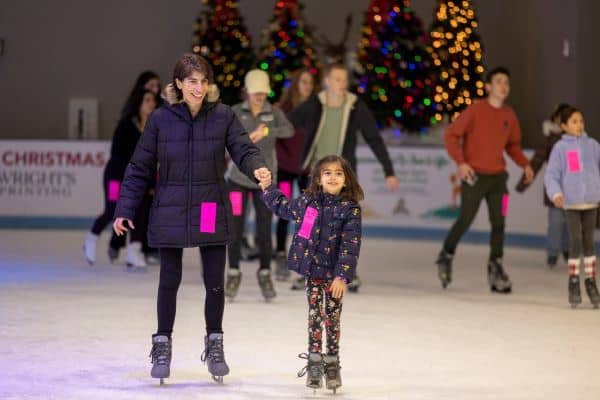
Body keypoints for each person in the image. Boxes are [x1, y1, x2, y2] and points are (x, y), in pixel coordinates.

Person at [112, 53, 271, 384]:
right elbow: (139, 167)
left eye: (203, 81)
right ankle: (162, 344)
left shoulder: (223, 117)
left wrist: (256, 166)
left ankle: (215, 344)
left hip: (210, 205)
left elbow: (243, 148)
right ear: (179, 85)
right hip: (170, 206)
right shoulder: (160, 120)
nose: (198, 88)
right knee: (169, 280)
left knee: (214, 282)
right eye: (192, 82)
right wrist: (125, 207)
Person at [287, 63, 399, 292]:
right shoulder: (314, 104)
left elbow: (373, 138)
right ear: (327, 81)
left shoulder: (355, 106)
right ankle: (305, 268)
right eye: (337, 79)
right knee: (308, 223)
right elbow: (287, 122)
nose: (342, 84)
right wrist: (262, 129)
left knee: (344, 227)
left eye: (345, 80)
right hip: (316, 177)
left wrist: (389, 170)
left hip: (342, 178)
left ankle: (347, 272)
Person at [260, 155, 363, 393]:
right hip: (314, 272)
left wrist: (342, 276)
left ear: (346, 180)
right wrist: (268, 188)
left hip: (335, 276)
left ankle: (332, 362)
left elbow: (351, 245)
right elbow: (283, 208)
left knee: (333, 320)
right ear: (318, 178)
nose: (333, 177)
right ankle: (315, 362)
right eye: (327, 173)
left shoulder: (351, 209)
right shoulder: (309, 202)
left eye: (338, 173)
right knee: (315, 317)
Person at [435, 66, 534, 293]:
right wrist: (461, 162)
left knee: (500, 222)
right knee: (466, 219)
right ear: (488, 86)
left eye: (506, 82)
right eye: (499, 81)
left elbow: (513, 146)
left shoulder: (509, 115)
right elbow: (452, 135)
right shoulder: (476, 110)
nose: (503, 86)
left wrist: (524, 164)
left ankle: (496, 265)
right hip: (474, 177)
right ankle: (446, 254)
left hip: (499, 179)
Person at [224, 69, 294, 301]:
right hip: (237, 180)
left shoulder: (273, 112)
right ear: (247, 92)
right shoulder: (235, 112)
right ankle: (233, 272)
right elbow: (223, 138)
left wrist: (267, 130)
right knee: (235, 227)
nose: (259, 98)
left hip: (265, 183)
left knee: (265, 229)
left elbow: (289, 130)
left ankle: (265, 273)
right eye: (255, 94)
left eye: (263, 94)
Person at [83, 88, 158, 268]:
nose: (151, 104)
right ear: (139, 103)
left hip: (139, 180)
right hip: (116, 176)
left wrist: (151, 183)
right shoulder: (126, 125)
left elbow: (154, 159)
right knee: (112, 210)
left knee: (140, 212)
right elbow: (117, 154)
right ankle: (91, 238)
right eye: (147, 100)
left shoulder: (154, 128)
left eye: (152, 101)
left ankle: (134, 251)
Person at [544, 106, 600, 308]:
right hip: (571, 202)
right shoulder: (560, 148)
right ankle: (574, 281)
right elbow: (551, 175)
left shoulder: (592, 145)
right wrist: (556, 193)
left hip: (591, 202)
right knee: (575, 239)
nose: (579, 125)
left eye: (581, 121)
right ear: (564, 126)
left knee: (589, 243)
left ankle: (591, 282)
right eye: (574, 122)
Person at [109, 70, 164, 265]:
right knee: (115, 209)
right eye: (151, 87)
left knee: (149, 209)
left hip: (147, 179)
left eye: (157, 87)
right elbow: (120, 156)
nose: (155, 92)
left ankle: (143, 248)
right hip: (124, 177)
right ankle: (119, 244)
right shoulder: (128, 123)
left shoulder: (156, 121)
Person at [273, 67, 319, 281]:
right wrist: (284, 159)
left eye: (310, 83)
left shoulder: (317, 109)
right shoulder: (284, 109)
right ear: (296, 85)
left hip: (306, 170)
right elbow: (276, 136)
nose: (307, 86)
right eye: (303, 82)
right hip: (285, 170)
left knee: (309, 212)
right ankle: (280, 253)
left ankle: (304, 254)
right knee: (285, 209)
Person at [516, 103, 571, 268]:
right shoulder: (550, 141)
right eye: (559, 117)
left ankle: (568, 250)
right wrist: (523, 183)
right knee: (555, 223)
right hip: (554, 191)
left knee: (569, 223)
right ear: (554, 120)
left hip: (572, 192)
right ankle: (553, 253)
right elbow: (536, 162)